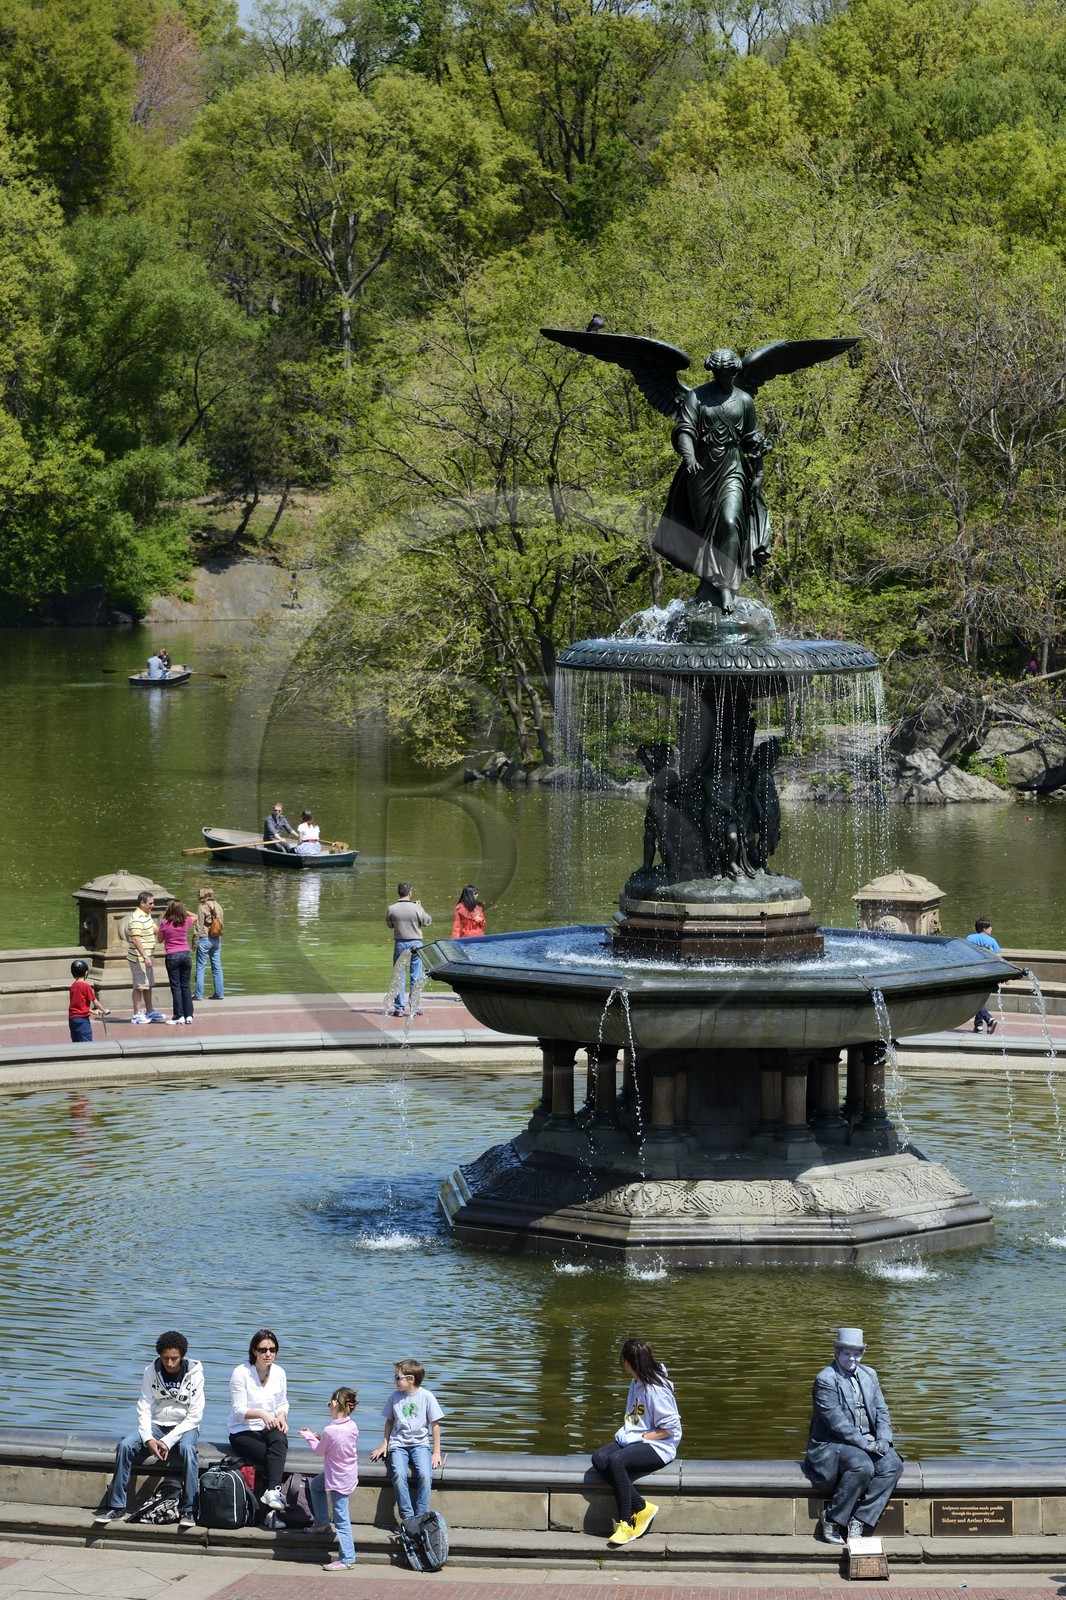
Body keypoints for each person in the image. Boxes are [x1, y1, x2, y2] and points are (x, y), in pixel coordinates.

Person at [92, 1330, 204, 1530]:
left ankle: (189, 1509)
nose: (169, 1364)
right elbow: (144, 1406)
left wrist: (168, 1441)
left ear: (182, 1356)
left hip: (186, 1425)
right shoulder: (150, 1371)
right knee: (125, 1445)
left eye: (174, 1359)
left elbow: (195, 1416)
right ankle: (116, 1506)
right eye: (165, 1358)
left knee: (188, 1450)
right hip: (158, 1423)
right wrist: (148, 1439)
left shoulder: (195, 1374)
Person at [805, 1326, 904, 1545]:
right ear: (837, 1353)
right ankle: (831, 1519)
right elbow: (837, 1423)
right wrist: (865, 1445)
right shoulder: (825, 1380)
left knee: (893, 1465)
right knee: (863, 1466)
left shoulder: (870, 1374)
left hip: (867, 1440)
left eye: (857, 1353)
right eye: (847, 1353)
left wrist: (884, 1439)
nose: (852, 1359)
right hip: (832, 1444)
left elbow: (881, 1410)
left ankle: (859, 1519)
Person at [591, 1337, 681, 1547]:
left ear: (628, 1362)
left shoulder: (656, 1390)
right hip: (635, 1439)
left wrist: (641, 1439)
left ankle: (627, 1523)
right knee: (599, 1458)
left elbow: (670, 1429)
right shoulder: (636, 1381)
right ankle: (641, 1507)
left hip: (660, 1447)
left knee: (616, 1462)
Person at [370, 1359, 444, 1522]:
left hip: (420, 1445)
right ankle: (408, 1518)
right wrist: (385, 1444)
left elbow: (435, 1425)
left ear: (411, 1379)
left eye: (398, 1377)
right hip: (398, 1445)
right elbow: (389, 1420)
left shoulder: (426, 1397)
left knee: (425, 1474)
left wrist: (436, 1452)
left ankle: (421, 1515)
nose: (395, 1380)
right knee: (398, 1474)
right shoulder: (394, 1397)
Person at [228, 1328, 289, 1513]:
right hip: (242, 1429)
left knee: (280, 1439)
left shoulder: (279, 1373)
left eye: (272, 1350)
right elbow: (239, 1411)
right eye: (263, 1350)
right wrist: (263, 1414)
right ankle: (274, 1493)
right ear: (254, 1350)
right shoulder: (241, 1373)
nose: (268, 1354)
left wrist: (281, 1417)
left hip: (268, 1426)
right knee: (273, 1458)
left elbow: (283, 1402)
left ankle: (271, 1492)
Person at [299, 1386, 360, 1571]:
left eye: (329, 1403)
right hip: (347, 1472)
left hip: (337, 1478)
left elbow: (319, 1451)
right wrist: (320, 1437)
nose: (329, 1406)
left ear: (335, 1404)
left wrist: (309, 1436)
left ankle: (347, 1558)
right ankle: (322, 1523)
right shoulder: (352, 1426)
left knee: (342, 1519)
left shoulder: (331, 1430)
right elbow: (336, 1445)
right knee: (316, 1486)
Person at [386, 882, 432, 1018]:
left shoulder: (392, 908)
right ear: (410, 892)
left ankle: (399, 1008)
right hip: (416, 944)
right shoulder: (416, 908)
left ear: (398, 892)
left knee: (399, 976)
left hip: (400, 943)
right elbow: (427, 921)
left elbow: (389, 925)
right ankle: (415, 1007)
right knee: (416, 976)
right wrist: (420, 907)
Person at [158, 898, 195, 1024]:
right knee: (186, 986)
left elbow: (159, 940)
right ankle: (189, 1015)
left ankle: (178, 1016)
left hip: (172, 955)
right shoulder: (186, 921)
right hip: (186, 954)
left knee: (176, 987)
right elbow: (196, 916)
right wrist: (184, 911)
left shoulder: (164, 923)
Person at [127, 889, 161, 1024]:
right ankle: (136, 1014)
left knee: (148, 985)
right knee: (139, 986)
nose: (153, 906)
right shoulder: (137, 918)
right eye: (151, 903)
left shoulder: (147, 915)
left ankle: (150, 1011)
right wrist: (145, 956)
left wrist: (170, 925)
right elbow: (136, 940)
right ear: (142, 903)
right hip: (139, 958)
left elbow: (155, 930)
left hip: (147, 957)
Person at [967, 917, 1002, 1033]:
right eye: (990, 927)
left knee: (974, 998)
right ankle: (979, 1025)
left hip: (973, 972)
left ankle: (987, 1020)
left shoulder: (969, 938)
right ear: (984, 928)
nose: (991, 929)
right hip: (987, 972)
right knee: (979, 998)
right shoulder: (992, 941)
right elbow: (998, 958)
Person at [193, 887, 224, 1000]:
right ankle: (219, 993)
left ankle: (198, 994)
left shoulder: (202, 908)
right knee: (217, 967)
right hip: (216, 938)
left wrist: (194, 941)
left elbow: (198, 926)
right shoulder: (219, 906)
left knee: (201, 967)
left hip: (204, 938)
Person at [68, 959, 109, 1043]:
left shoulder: (73, 987)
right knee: (86, 1043)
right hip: (82, 1020)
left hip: (72, 1019)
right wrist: (104, 1010)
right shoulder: (86, 987)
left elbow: (78, 1005)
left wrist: (92, 1012)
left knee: (76, 1042)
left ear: (73, 974)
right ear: (86, 973)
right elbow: (95, 1002)